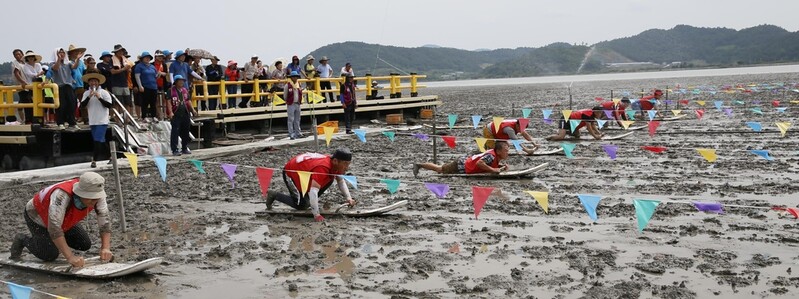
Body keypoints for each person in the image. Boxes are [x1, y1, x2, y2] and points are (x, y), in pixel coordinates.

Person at [9, 172, 113, 267]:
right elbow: (54, 228)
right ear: (80, 193)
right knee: (49, 254)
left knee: (84, 244)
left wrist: (105, 248)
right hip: (37, 216)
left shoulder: (98, 192)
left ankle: (56, 243)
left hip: (63, 218)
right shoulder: (61, 195)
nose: (94, 201)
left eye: (96, 198)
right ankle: (22, 239)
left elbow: (105, 221)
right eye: (91, 198)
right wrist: (70, 257)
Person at [265, 149, 357, 222]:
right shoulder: (323, 168)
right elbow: (313, 191)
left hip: (306, 173)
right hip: (291, 172)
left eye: (348, 164)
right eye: (345, 164)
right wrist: (316, 215)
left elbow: (340, 181)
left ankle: (309, 201)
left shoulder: (335, 165)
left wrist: (349, 198)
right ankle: (274, 194)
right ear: (336, 161)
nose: (347, 168)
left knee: (330, 179)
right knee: (302, 205)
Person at [413, 141, 511, 177]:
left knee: (440, 168)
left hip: (465, 163)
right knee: (440, 169)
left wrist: (500, 166)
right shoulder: (491, 156)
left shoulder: (494, 155)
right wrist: (494, 170)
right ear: (498, 151)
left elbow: (488, 163)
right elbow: (480, 163)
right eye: (505, 151)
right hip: (462, 165)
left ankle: (420, 165)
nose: (507, 153)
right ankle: (419, 165)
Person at [79, 73, 113, 168]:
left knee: (97, 140)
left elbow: (109, 105)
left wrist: (99, 97)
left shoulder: (104, 92)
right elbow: (82, 105)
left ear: (98, 82)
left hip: (102, 120)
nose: (93, 83)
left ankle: (94, 160)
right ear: (89, 83)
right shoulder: (86, 93)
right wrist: (89, 97)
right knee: (101, 140)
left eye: (95, 81)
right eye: (91, 81)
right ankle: (111, 156)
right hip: (93, 120)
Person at [167, 75, 197, 156]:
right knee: (175, 131)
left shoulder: (184, 90)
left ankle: (184, 148)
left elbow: (188, 101)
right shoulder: (171, 90)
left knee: (185, 131)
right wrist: (170, 112)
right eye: (179, 80)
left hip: (185, 113)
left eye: (182, 81)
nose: (181, 82)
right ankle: (174, 149)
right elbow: (168, 102)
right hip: (176, 113)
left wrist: (193, 110)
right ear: (176, 82)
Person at [51, 47, 80, 130]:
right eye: (59, 52)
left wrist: (78, 59)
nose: (62, 54)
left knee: (72, 104)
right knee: (61, 105)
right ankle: (60, 122)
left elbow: (74, 67)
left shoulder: (68, 63)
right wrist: (59, 59)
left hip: (69, 86)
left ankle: (72, 122)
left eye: (63, 52)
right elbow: (56, 68)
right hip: (59, 87)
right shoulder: (53, 63)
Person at [20, 51, 45, 124]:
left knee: (41, 104)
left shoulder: (38, 65)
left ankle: (41, 120)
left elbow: (41, 74)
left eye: (32, 56)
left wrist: (38, 74)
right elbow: (29, 74)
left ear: (34, 58)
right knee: (30, 104)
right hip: (31, 87)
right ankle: (30, 120)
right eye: (29, 57)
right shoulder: (25, 66)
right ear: (27, 58)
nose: (30, 58)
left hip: (40, 86)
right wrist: (38, 74)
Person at [134, 51, 159, 122]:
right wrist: (140, 86)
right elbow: (137, 76)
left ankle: (153, 116)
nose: (147, 59)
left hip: (153, 86)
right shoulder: (139, 66)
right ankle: (144, 116)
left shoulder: (152, 66)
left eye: (148, 58)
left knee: (153, 102)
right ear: (142, 58)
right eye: (146, 57)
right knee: (145, 102)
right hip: (145, 86)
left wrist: (159, 75)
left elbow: (156, 76)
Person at [284, 71, 303, 139]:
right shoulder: (287, 85)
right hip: (291, 104)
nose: (295, 78)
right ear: (291, 78)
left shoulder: (298, 85)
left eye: (296, 77)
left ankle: (298, 133)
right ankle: (291, 133)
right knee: (291, 119)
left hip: (297, 103)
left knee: (297, 119)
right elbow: (285, 96)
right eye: (294, 77)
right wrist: (288, 101)